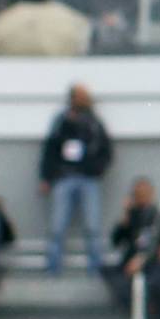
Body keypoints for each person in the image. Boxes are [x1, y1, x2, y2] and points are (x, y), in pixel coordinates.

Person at [38, 82, 113, 275]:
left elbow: (106, 149)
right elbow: (50, 149)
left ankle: (94, 269)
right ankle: (53, 268)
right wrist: (46, 177)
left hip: (88, 178)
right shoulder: (61, 121)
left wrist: (98, 169)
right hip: (64, 176)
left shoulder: (95, 122)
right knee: (57, 225)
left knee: (92, 226)